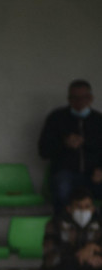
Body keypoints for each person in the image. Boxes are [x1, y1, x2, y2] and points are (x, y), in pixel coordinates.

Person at [38, 79, 102, 214]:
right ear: (69, 99)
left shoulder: (98, 120)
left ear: (90, 98)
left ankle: (96, 229)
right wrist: (64, 144)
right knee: (62, 188)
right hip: (65, 172)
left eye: (83, 98)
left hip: (93, 173)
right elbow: (43, 151)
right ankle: (64, 227)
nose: (79, 102)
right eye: (74, 98)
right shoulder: (56, 118)